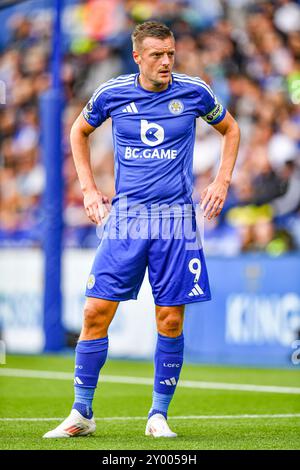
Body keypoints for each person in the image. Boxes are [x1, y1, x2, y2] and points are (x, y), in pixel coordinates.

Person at [43, 21, 240, 439]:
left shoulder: (194, 91)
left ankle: (158, 415)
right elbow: (78, 130)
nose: (166, 61)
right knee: (96, 312)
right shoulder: (112, 94)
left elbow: (231, 129)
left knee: (169, 319)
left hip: (176, 223)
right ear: (138, 57)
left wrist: (221, 181)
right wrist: (89, 190)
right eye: (157, 55)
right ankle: (81, 413)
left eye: (170, 53)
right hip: (127, 220)